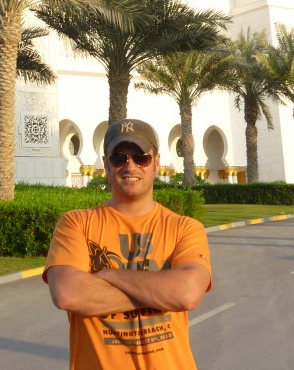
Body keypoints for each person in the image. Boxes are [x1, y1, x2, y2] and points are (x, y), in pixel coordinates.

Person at [43, 118, 212, 369]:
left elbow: (186, 293)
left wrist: (109, 274)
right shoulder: (76, 223)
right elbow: (68, 293)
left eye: (140, 156)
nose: (129, 165)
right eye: (119, 157)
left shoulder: (184, 228)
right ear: (106, 165)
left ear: (156, 163)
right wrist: (161, 291)